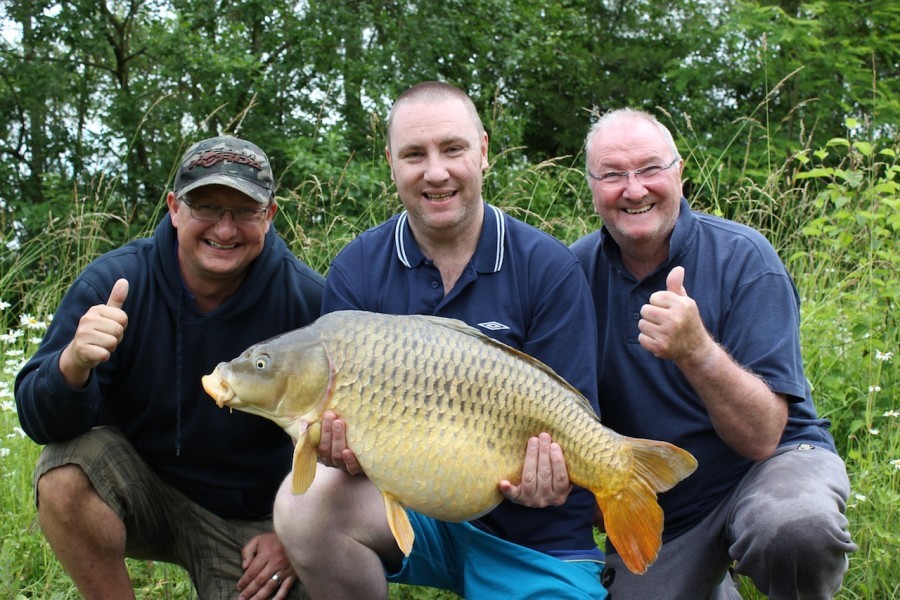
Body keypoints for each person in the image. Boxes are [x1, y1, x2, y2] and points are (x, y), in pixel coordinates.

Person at [272, 81, 607, 599]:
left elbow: (574, 417)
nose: (435, 172)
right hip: (409, 514)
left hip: (535, 534)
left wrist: (555, 476)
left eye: (453, 148)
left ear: (483, 152)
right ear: (391, 163)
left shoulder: (547, 267)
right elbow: (339, 437)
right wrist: (335, 450)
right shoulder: (357, 270)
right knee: (303, 504)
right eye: (413, 155)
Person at [15, 136, 325, 600]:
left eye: (244, 211)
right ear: (174, 208)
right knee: (63, 473)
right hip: (145, 489)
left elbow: (347, 441)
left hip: (252, 520)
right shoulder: (114, 283)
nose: (225, 229)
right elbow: (38, 419)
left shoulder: (309, 302)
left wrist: (293, 533)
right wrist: (72, 364)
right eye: (206, 206)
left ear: (270, 216)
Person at [570, 108, 856, 599]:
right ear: (592, 186)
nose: (634, 189)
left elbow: (763, 436)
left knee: (793, 529)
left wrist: (697, 351)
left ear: (679, 172)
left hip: (772, 466)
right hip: (667, 498)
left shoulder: (746, 258)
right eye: (613, 175)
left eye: (650, 169)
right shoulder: (571, 274)